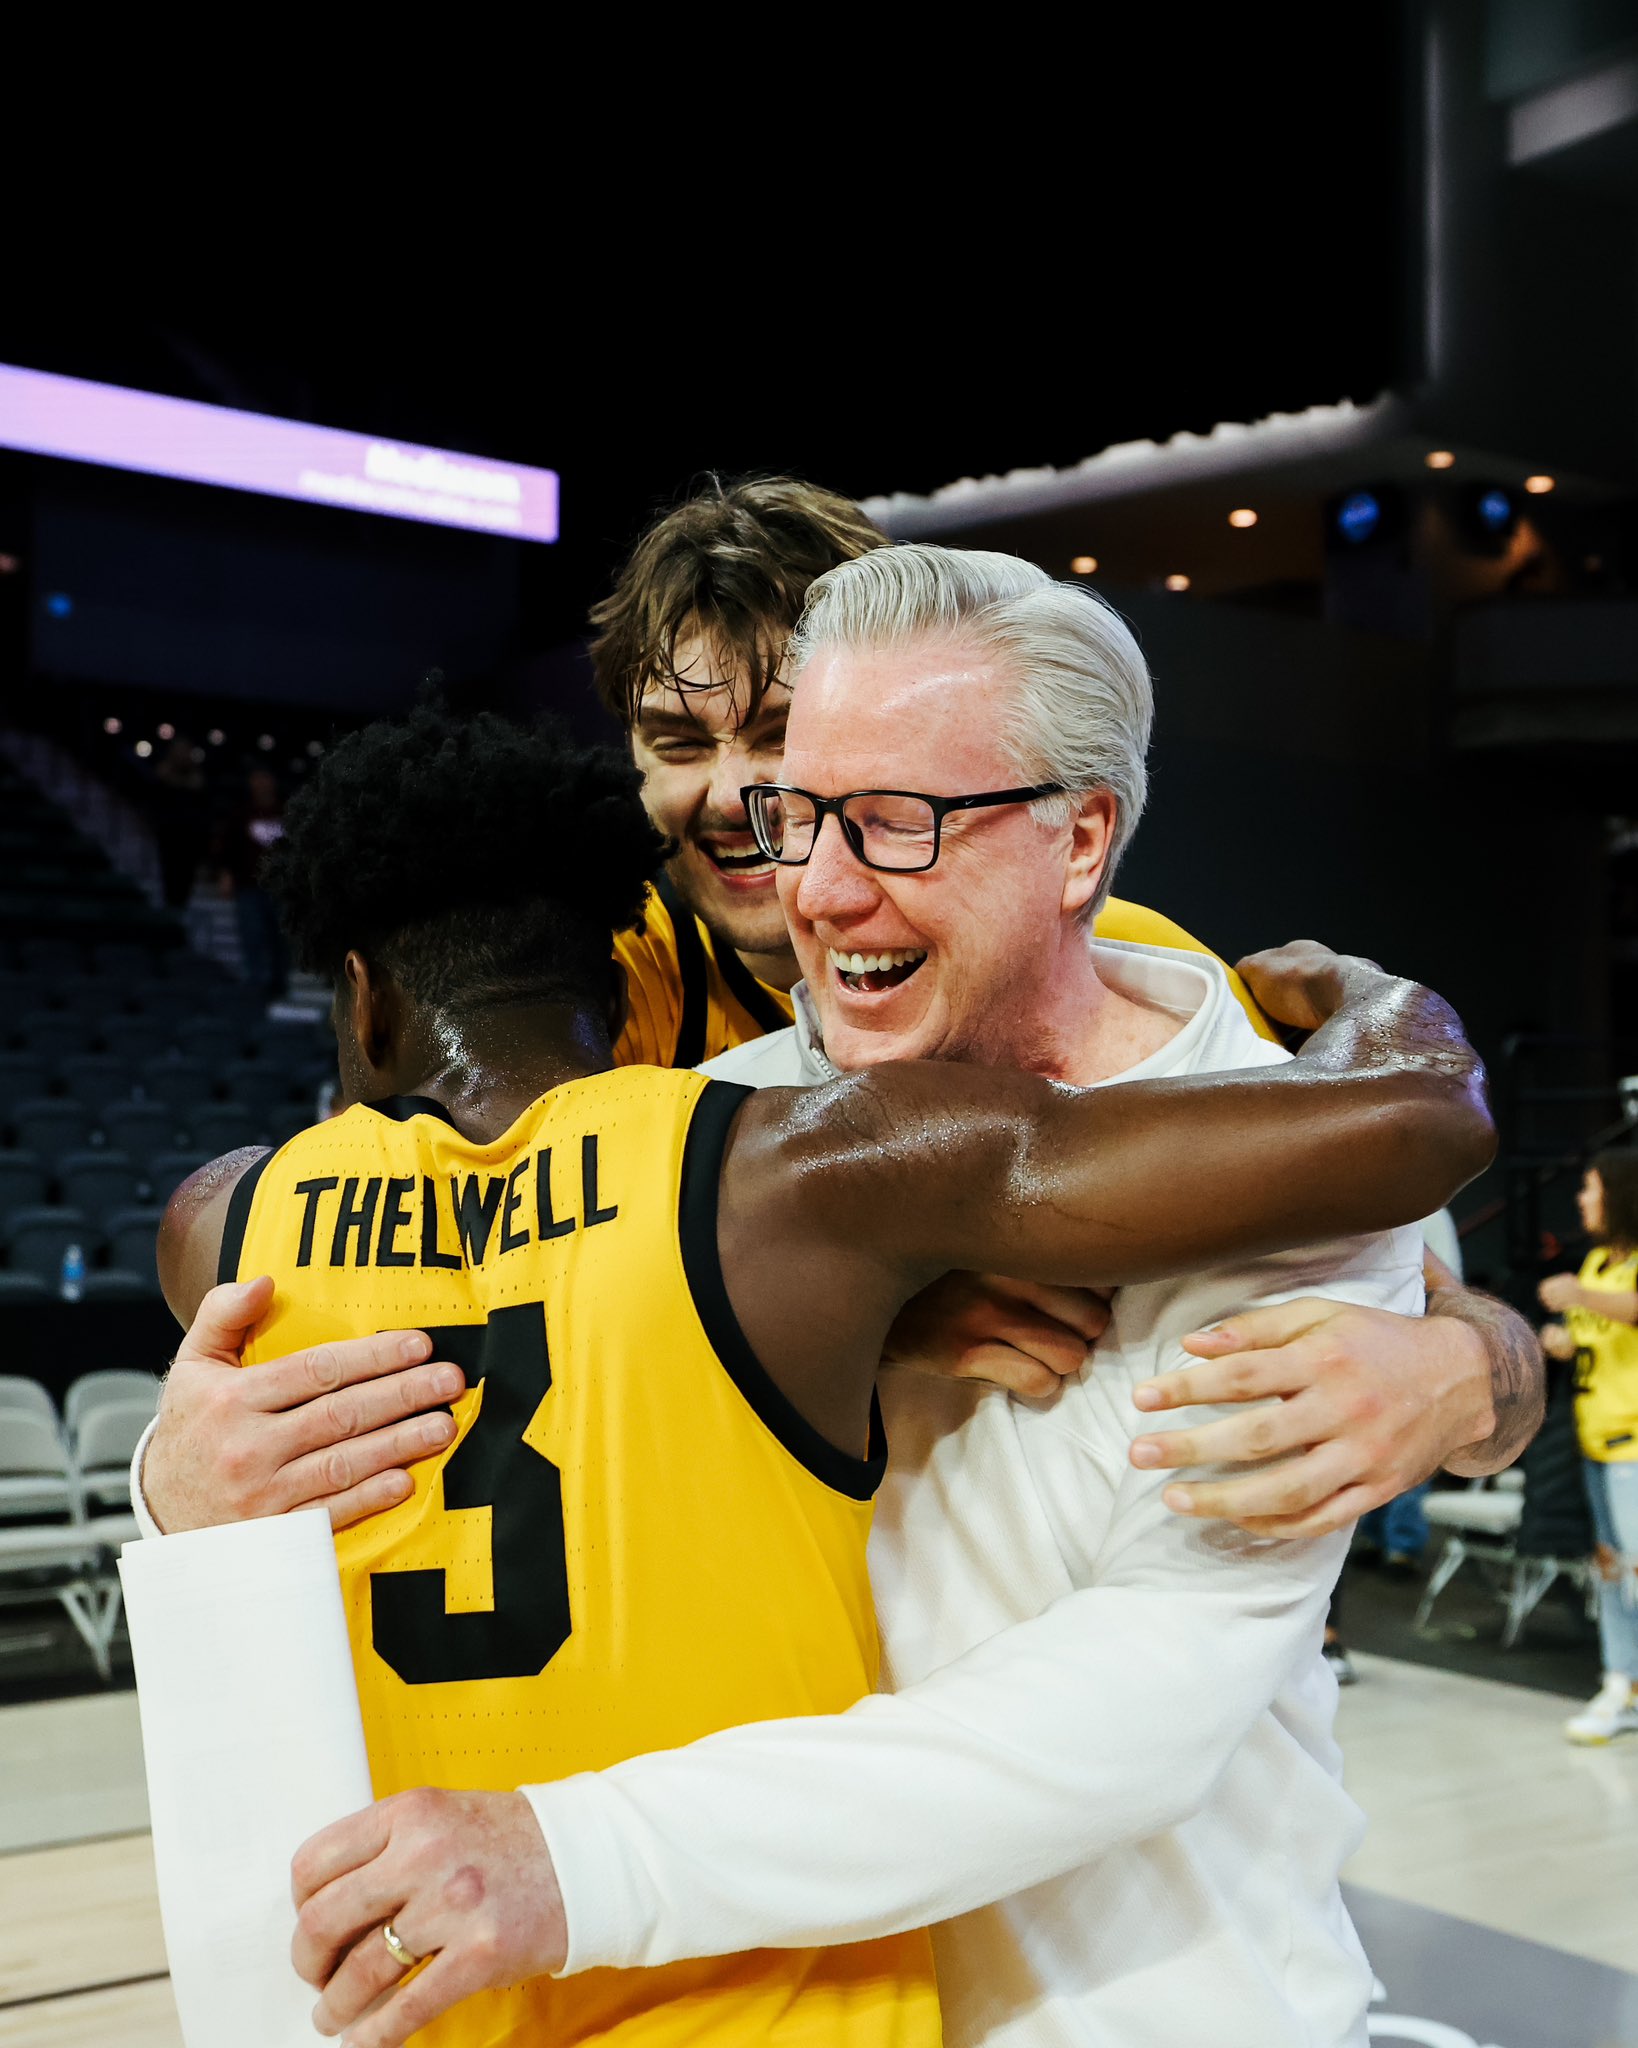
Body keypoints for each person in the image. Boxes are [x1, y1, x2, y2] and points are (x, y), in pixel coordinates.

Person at [152, 694, 1490, 2048]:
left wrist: (1471, 1358)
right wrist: (1374, 999)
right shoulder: (790, 1166)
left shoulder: (220, 1228)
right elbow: (1407, 1126)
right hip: (763, 1993)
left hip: (430, 1990)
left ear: (364, 1000)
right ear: (624, 987)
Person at [135, 480, 1540, 1549]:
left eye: (785, 739)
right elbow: (369, 1340)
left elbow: (1453, 1312)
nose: (744, 797)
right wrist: (166, 1474)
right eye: (680, 744)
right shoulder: (577, 1003)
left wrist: (1455, 1376)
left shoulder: (1141, 974)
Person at [1539, 1149, 1638, 1744]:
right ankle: (1620, 1682)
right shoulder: (1600, 1262)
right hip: (1595, 1440)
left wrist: (1580, 1296)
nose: (1581, 1199)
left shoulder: (1602, 1276)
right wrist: (1561, 1341)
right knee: (1610, 1570)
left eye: (1591, 1187)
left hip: (1635, 1445)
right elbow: (1595, 1334)